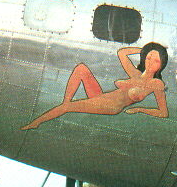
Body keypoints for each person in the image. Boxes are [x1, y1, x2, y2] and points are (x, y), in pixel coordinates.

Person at [21, 42, 169, 130]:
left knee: (67, 108)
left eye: (156, 61)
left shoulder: (157, 84)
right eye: (148, 58)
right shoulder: (135, 74)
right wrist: (144, 49)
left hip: (111, 106)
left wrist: (139, 109)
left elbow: (163, 113)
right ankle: (65, 102)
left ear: (161, 64)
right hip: (101, 98)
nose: (150, 63)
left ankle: (36, 123)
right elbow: (122, 53)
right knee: (81, 69)